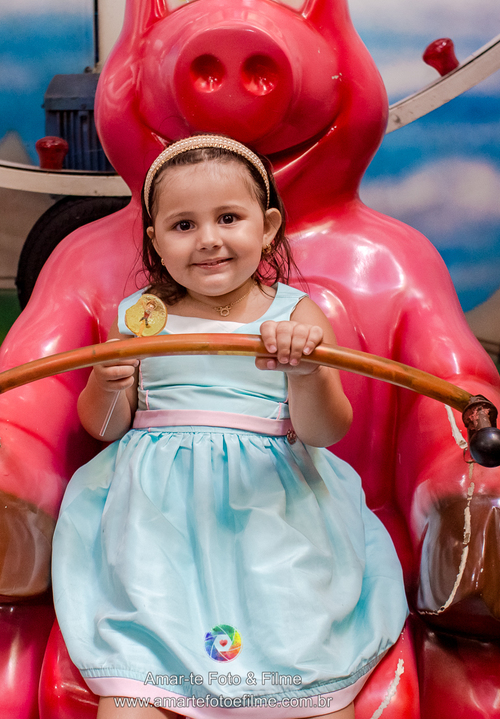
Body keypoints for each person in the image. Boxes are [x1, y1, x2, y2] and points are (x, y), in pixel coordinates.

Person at [51, 135, 408, 719]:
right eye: (183, 225)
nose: (209, 240)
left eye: (229, 218)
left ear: (266, 228)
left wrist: (310, 370)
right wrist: (109, 381)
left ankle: (300, 687)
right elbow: (105, 428)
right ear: (155, 240)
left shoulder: (294, 314)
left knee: (303, 664)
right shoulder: (139, 319)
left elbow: (324, 431)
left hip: (270, 508)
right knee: (136, 688)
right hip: (158, 520)